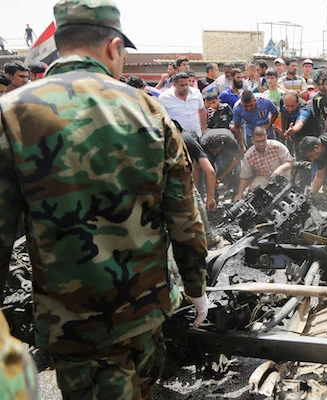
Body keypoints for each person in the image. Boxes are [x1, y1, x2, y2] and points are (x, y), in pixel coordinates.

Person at [0, 1, 208, 398]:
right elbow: (184, 214)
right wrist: (196, 287)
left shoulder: (12, 113)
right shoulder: (149, 110)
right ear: (114, 47)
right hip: (146, 313)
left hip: (74, 323)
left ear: (59, 45)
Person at [181, 131, 220, 248]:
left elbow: (196, 170)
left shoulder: (160, 136)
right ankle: (208, 237)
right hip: (178, 178)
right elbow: (210, 171)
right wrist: (210, 197)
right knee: (195, 197)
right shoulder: (190, 140)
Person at [235, 126, 294, 201]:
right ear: (252, 140)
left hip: (282, 173)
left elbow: (291, 162)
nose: (261, 144)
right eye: (258, 141)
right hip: (266, 177)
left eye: (263, 140)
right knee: (253, 188)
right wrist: (239, 194)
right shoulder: (249, 155)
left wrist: (280, 169)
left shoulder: (277, 146)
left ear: (266, 137)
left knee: (291, 173)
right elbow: (244, 177)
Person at [159, 71, 207, 138]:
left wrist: (203, 129)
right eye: (182, 85)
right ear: (174, 84)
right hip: (177, 137)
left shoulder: (196, 93)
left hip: (197, 135)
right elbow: (161, 117)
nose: (185, 88)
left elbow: (202, 110)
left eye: (186, 84)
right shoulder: (164, 97)